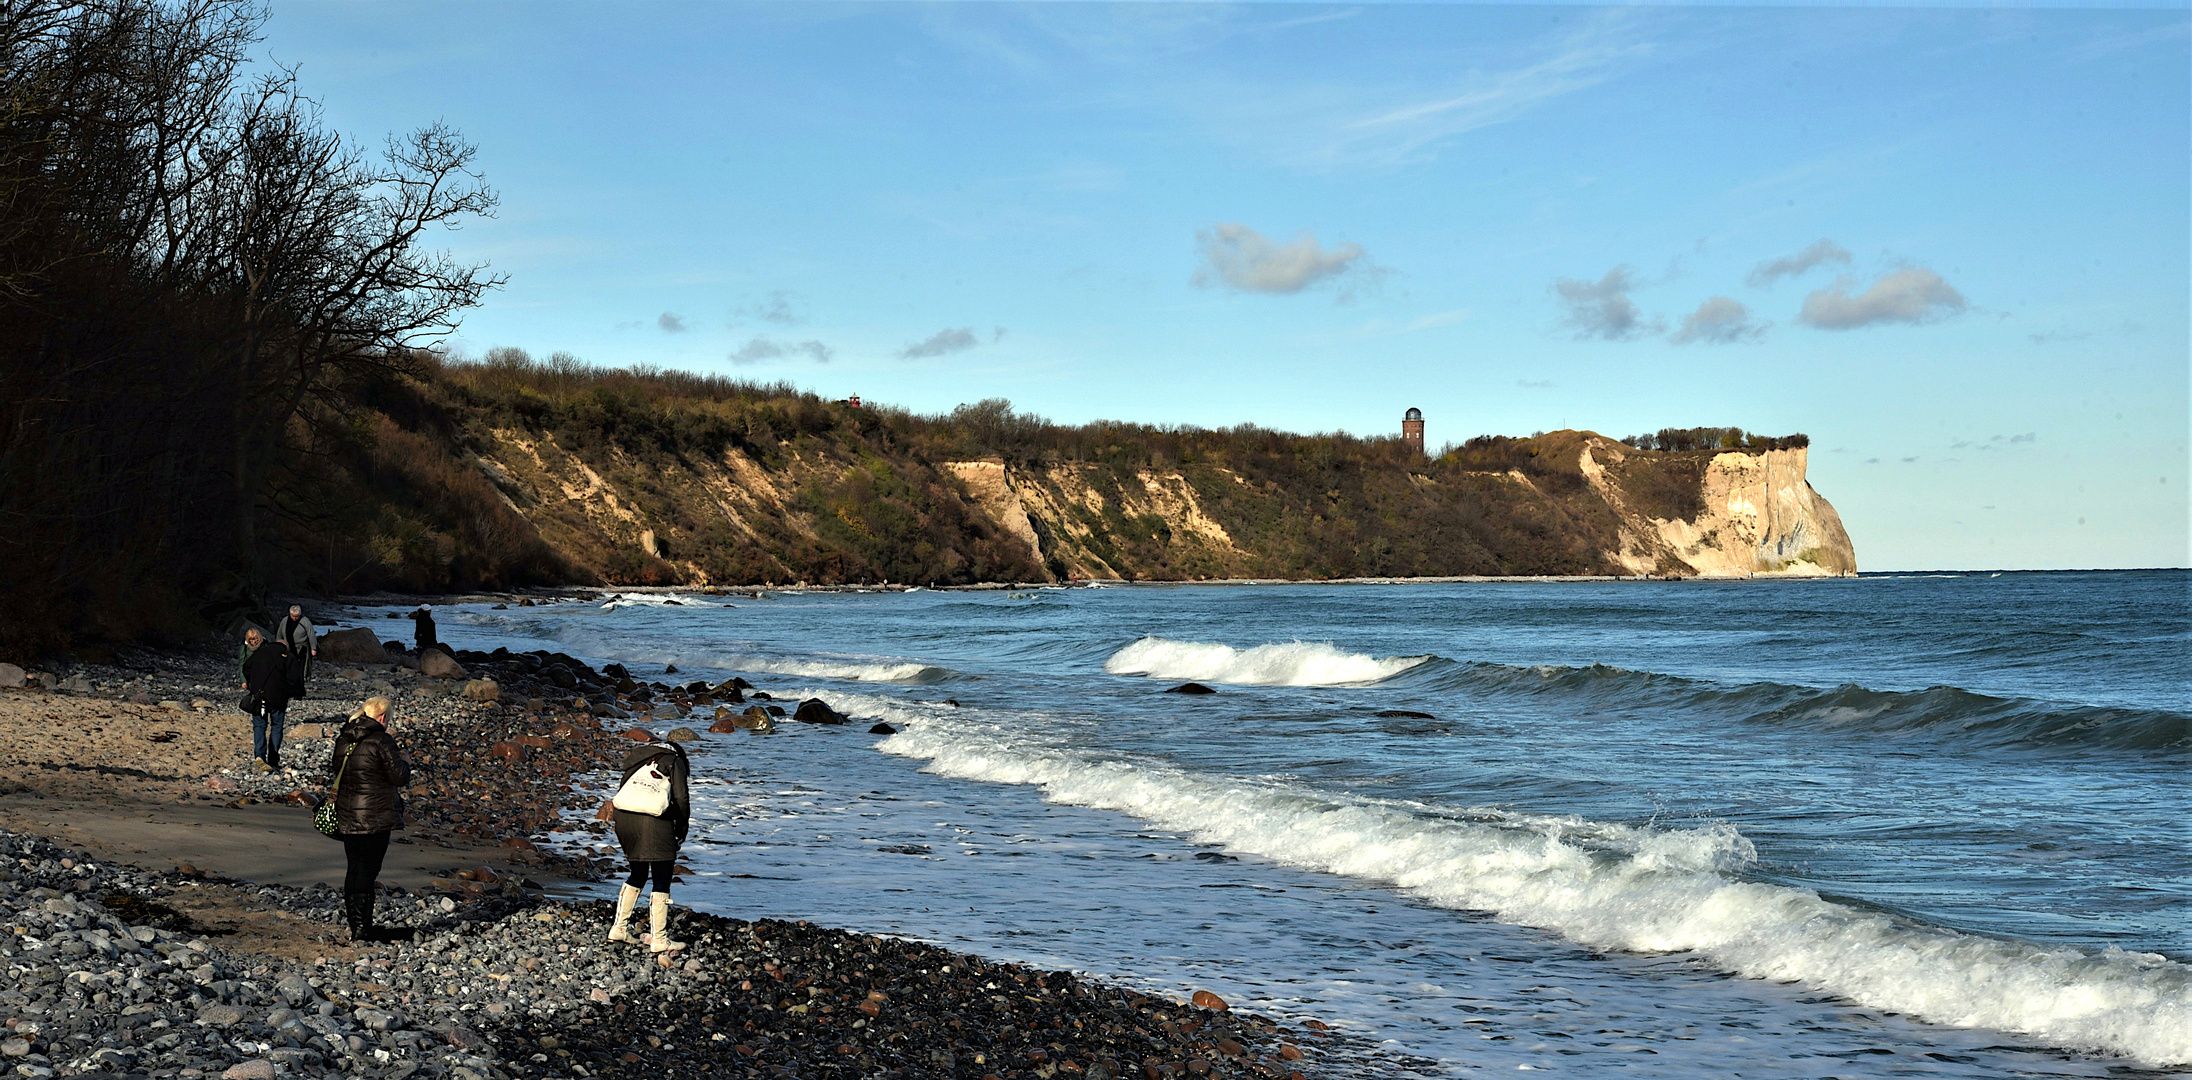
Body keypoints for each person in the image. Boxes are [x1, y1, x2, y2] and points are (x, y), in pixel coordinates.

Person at [328, 697, 415, 944]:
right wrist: (406, 763)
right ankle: (362, 930)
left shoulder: (345, 738)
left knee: (354, 868)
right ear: (383, 718)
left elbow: (337, 770)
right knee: (368, 870)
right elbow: (398, 777)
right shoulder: (382, 740)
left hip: (348, 811)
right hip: (375, 814)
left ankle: (358, 926)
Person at [606, 736, 691, 954]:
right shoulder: (674, 760)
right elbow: (681, 798)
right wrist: (681, 828)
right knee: (662, 877)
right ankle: (659, 939)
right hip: (653, 819)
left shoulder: (636, 758)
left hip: (624, 817)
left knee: (638, 872)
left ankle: (619, 928)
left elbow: (623, 790)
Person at [237, 628, 292, 772]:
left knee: (261, 725)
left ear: (260, 639)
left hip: (260, 691)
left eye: (256, 640)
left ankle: (261, 755)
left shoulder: (264, 649)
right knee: (274, 725)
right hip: (272, 693)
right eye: (251, 640)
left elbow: (246, 668)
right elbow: (242, 666)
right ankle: (270, 757)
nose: (254, 642)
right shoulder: (248, 649)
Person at [273, 604, 316, 699]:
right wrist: (278, 645)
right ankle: (289, 691)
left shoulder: (305, 621)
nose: (295, 618)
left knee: (299, 671)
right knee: (287, 671)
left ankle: (299, 693)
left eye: (297, 616)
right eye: (293, 616)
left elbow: (311, 635)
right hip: (288, 648)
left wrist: (313, 648)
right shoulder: (285, 620)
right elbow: (279, 633)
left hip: (301, 649)